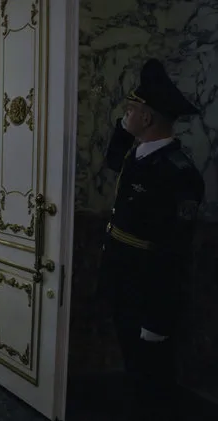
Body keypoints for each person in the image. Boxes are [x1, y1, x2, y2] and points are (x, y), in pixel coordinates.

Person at [100, 59, 204, 421]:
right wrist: (125, 127)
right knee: (132, 362)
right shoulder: (138, 155)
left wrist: (157, 317)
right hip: (123, 278)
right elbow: (114, 160)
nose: (124, 114)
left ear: (146, 119)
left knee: (153, 375)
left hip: (148, 290)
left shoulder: (179, 173)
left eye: (131, 110)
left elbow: (175, 251)